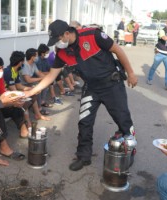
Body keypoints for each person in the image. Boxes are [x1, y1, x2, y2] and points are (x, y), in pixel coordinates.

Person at [24, 19, 138, 171]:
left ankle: (129, 151)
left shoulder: (93, 35)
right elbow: (51, 76)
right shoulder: (62, 52)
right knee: (84, 122)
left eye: (58, 39)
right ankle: (83, 157)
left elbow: (118, 50)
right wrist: (32, 91)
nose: (57, 44)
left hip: (112, 85)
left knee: (123, 120)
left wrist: (130, 73)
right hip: (91, 87)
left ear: (67, 33)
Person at [4, 51, 51, 122]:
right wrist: (29, 92)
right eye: (23, 61)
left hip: (12, 92)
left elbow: (19, 86)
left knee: (33, 94)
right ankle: (27, 122)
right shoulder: (8, 72)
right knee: (27, 100)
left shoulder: (15, 71)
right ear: (20, 62)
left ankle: (37, 114)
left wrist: (32, 89)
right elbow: (14, 90)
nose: (24, 63)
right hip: (6, 95)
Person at [146, 17, 167, 90]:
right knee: (154, 67)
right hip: (160, 53)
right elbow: (163, 37)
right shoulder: (162, 31)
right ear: (166, 23)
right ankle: (149, 79)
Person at [20, 48, 50, 116]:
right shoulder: (25, 65)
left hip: (30, 83)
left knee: (44, 85)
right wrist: (41, 78)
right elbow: (28, 80)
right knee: (38, 89)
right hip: (24, 85)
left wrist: (46, 78)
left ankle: (42, 102)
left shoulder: (33, 64)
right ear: (32, 57)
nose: (37, 57)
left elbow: (38, 73)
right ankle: (39, 108)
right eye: (36, 55)